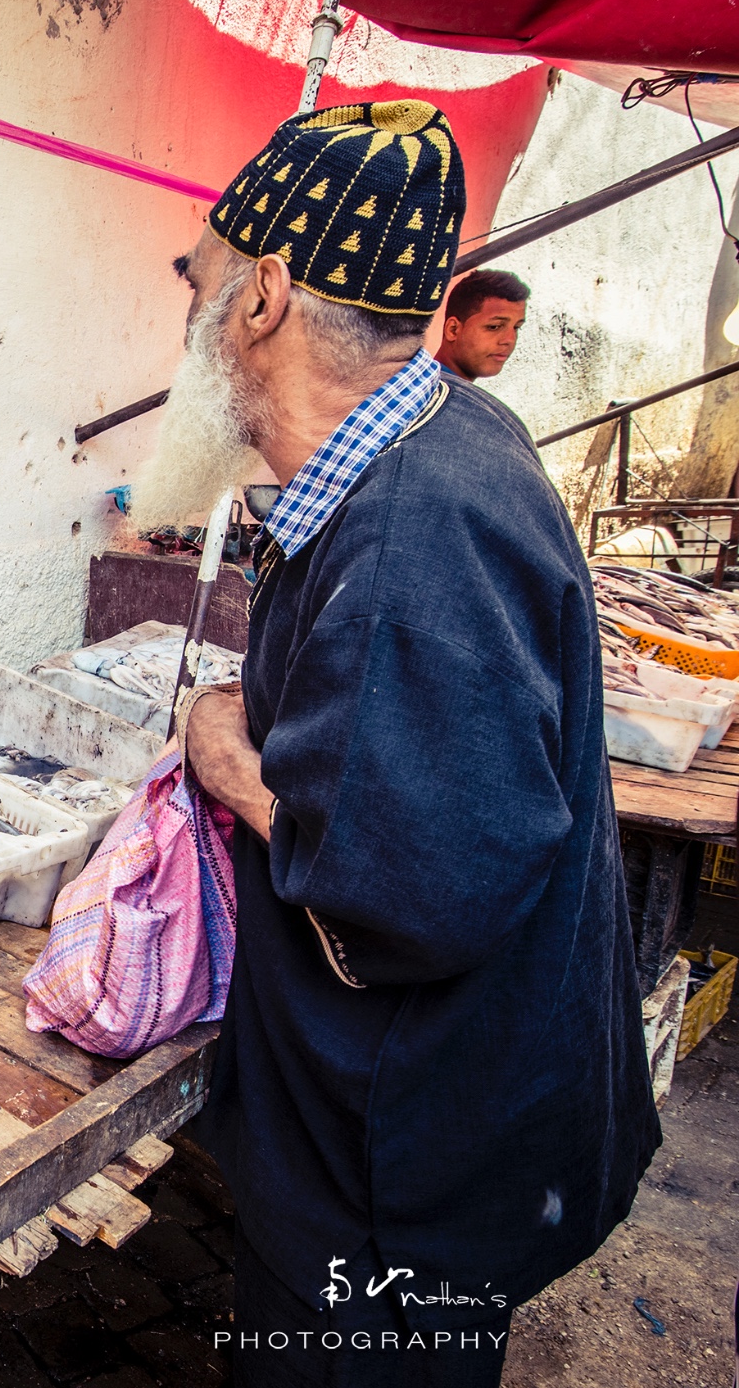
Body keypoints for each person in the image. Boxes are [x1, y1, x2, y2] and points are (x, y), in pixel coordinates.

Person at [130, 102, 658, 1387]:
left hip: (405, 1161)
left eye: (195, 273)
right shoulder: (443, 434)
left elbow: (413, 896)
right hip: (421, 1117)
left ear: (258, 297)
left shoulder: (415, 536)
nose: (183, 298)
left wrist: (220, 752)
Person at [434, 268, 530, 381]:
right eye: (494, 327)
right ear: (453, 329)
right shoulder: (431, 394)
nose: (510, 340)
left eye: (516, 327)